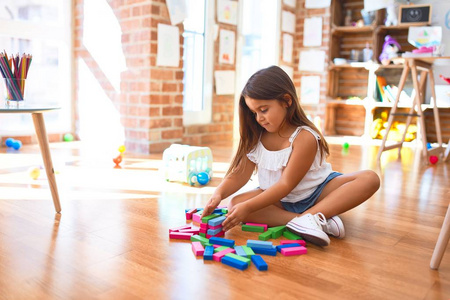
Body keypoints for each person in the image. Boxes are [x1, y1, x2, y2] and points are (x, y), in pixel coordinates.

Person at [202, 66, 380, 246]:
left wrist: (249, 207)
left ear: (286, 101)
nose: (258, 118)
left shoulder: (304, 137)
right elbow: (240, 174)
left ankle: (313, 217)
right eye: (254, 112)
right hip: (279, 200)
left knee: (369, 178)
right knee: (235, 205)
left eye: (263, 110)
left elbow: (286, 184)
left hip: (317, 192)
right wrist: (218, 193)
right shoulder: (256, 136)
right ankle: (313, 220)